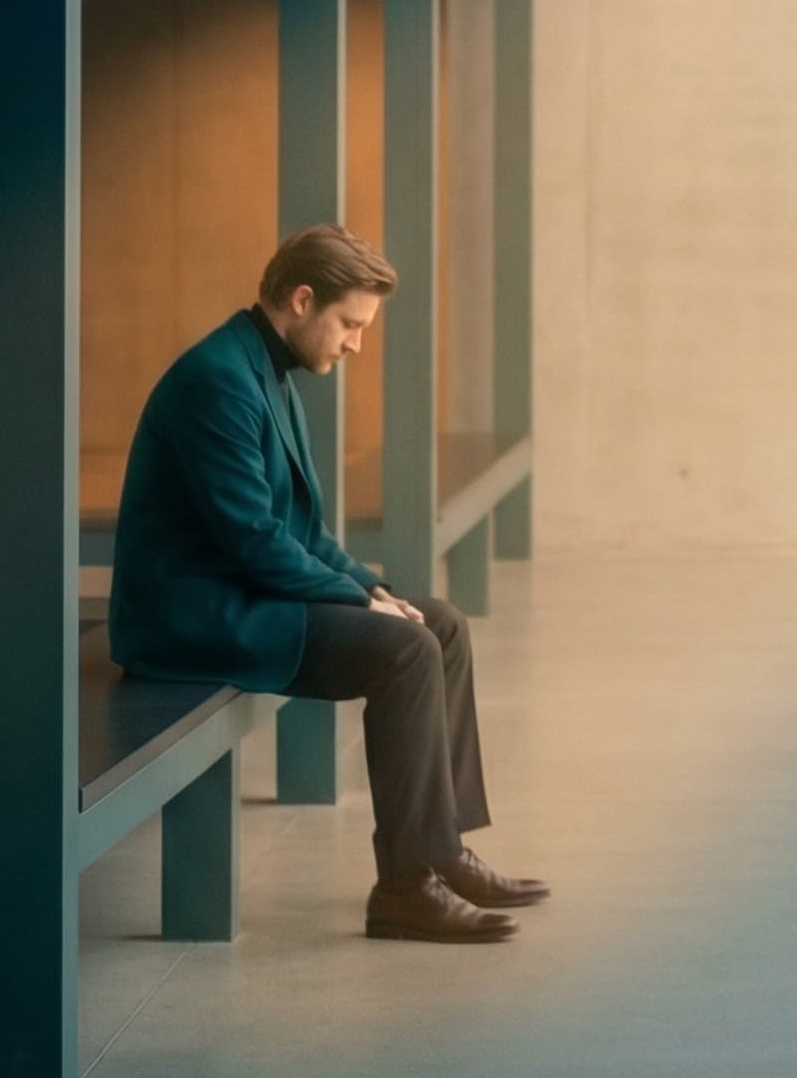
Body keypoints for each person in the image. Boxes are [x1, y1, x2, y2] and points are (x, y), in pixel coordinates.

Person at [109, 223, 548, 946]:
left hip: (243, 593)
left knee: (436, 623)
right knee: (404, 652)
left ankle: (441, 851)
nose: (355, 345)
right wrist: (360, 602)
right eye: (350, 325)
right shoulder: (217, 381)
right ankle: (406, 889)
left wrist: (373, 590)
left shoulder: (265, 370)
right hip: (192, 617)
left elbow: (304, 535)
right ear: (303, 300)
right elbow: (251, 540)